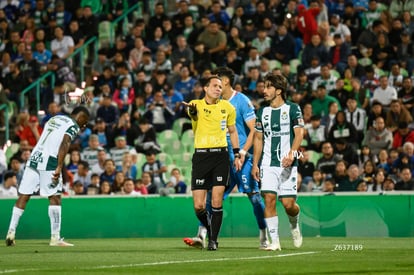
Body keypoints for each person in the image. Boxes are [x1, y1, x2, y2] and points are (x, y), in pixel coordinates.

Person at [183, 67, 268, 250]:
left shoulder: (240, 101)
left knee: (253, 197)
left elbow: (254, 129)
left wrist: (242, 152)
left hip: (239, 158)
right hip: (219, 156)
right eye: (213, 83)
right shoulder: (208, 103)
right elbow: (195, 113)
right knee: (209, 201)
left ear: (225, 81)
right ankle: (202, 235)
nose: (216, 85)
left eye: (218, 81)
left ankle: (264, 235)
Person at [5, 106, 90, 247]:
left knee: (24, 195)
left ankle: (11, 232)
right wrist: (59, 165)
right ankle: (55, 238)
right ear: (79, 117)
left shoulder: (54, 118)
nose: (84, 125)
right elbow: (65, 142)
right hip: (50, 161)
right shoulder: (73, 124)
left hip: (34, 158)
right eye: (84, 121)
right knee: (55, 197)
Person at [182, 75, 242, 251]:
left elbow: (233, 131)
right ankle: (210, 228)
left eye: (220, 86)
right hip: (201, 157)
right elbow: (193, 114)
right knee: (198, 206)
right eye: (215, 86)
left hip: (220, 157)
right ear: (206, 88)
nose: (219, 89)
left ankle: (213, 240)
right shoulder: (195, 105)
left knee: (216, 201)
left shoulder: (228, 107)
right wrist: (192, 111)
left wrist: (237, 154)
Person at [251, 73, 304, 251]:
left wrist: (292, 154)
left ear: (279, 90)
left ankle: (294, 225)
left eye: (268, 87)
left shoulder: (293, 109)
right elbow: (258, 139)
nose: (263, 90)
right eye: (263, 87)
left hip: (287, 163)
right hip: (267, 163)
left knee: (289, 205)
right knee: (270, 200)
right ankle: (275, 242)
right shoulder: (262, 111)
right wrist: (255, 164)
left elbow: (299, 134)